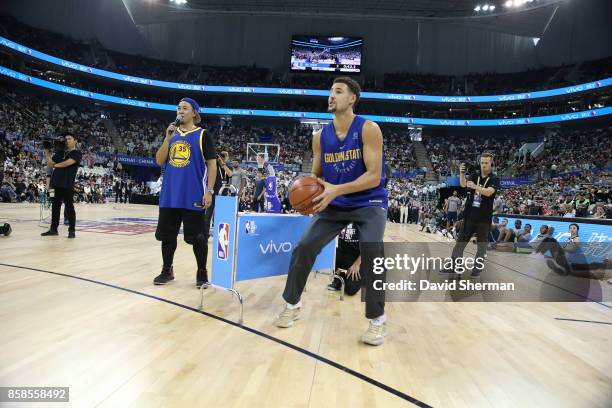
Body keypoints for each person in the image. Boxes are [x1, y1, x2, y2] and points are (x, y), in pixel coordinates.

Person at [274, 77, 388, 346]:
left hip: (368, 202)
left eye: (338, 91)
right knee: (304, 246)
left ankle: (377, 320)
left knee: (372, 251)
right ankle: (292, 304)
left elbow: (374, 177)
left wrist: (337, 189)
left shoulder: (369, 129)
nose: (331, 95)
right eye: (330, 91)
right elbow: (316, 176)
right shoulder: (319, 137)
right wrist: (309, 200)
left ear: (352, 99)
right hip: (334, 203)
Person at [152, 98, 217, 288]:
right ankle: (167, 270)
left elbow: (212, 165)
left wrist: (209, 191)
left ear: (194, 113)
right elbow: (159, 160)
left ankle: (202, 272)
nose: (180, 111)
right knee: (167, 236)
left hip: (193, 194)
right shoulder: (172, 134)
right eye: (179, 108)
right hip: (170, 194)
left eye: (185, 108)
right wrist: (167, 138)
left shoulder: (203, 134)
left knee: (198, 237)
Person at [444, 153, 500, 278]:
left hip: (484, 219)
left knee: (481, 248)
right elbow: (464, 184)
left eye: (486, 163)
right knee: (460, 243)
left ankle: (476, 271)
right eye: (482, 163)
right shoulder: (475, 175)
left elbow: (488, 192)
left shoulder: (494, 179)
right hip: (469, 216)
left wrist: (475, 187)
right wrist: (462, 173)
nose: (483, 165)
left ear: (491, 163)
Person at [41, 132, 82, 238]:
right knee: (55, 207)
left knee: (69, 207)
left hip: (67, 184)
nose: (66, 140)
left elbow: (67, 163)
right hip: (55, 184)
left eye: (69, 138)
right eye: (66, 139)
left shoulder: (77, 153)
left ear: (75, 141)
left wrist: (55, 165)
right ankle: (53, 229)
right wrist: (46, 150)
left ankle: (71, 230)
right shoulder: (60, 153)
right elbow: (50, 164)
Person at [328, 223, 362, 296]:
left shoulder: (364, 216)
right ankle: (340, 276)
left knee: (351, 290)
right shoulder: (339, 214)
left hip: (358, 259)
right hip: (343, 254)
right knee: (326, 252)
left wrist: (356, 265)